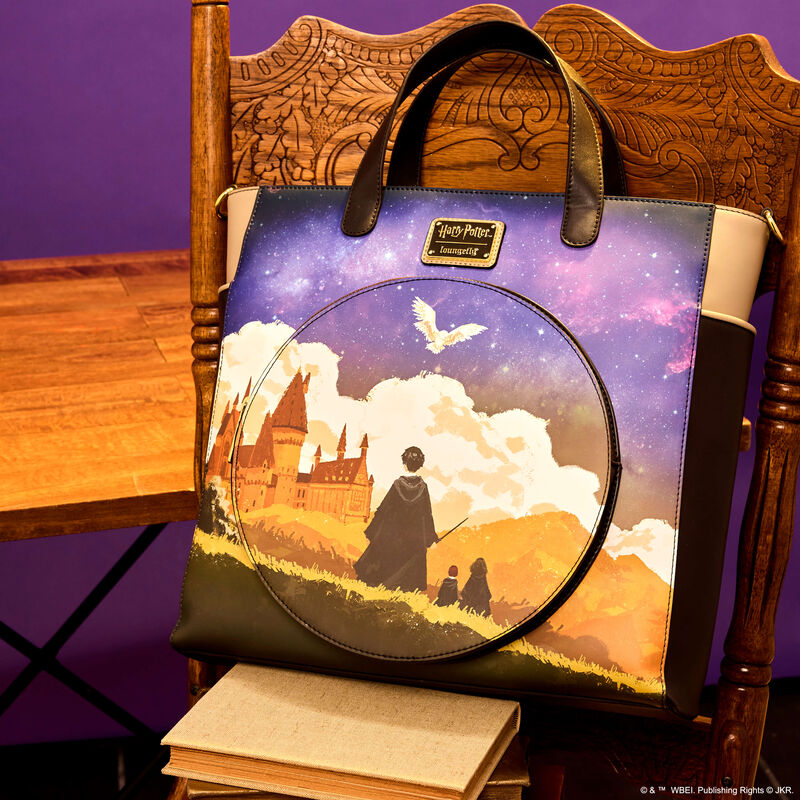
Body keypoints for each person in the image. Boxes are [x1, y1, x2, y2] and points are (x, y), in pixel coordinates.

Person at [354, 446, 437, 592]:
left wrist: (371, 531)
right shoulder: (423, 487)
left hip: (393, 537)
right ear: (420, 465)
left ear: (404, 464)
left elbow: (383, 510)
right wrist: (431, 539)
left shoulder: (397, 485)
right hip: (413, 540)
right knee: (407, 576)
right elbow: (427, 514)